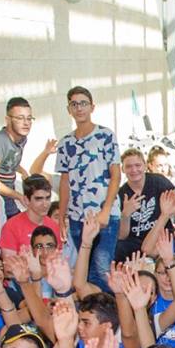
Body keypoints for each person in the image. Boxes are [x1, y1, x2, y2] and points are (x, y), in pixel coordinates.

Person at [56, 86, 119, 288]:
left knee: (101, 269)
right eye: (74, 104)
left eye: (83, 103)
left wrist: (106, 210)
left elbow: (116, 175)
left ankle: (110, 306)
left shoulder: (106, 136)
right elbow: (64, 181)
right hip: (77, 217)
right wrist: (62, 216)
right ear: (69, 109)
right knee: (85, 269)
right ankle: (92, 307)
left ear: (92, 107)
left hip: (105, 214)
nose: (79, 108)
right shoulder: (65, 143)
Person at [0, 97, 46, 209]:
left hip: (9, 199)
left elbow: (9, 161)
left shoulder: (22, 139)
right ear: (8, 120)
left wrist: (22, 171)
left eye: (29, 118)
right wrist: (18, 196)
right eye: (20, 118)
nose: (26, 123)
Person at [0, 175, 66, 255]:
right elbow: (8, 261)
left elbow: (59, 257)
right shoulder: (11, 226)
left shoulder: (54, 226)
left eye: (47, 198)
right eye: (39, 199)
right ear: (26, 200)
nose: (45, 204)